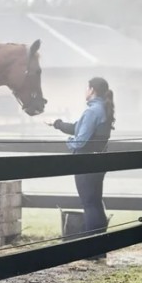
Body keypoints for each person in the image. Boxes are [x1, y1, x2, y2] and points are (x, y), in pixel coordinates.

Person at [50, 76, 116, 252]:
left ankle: (91, 247)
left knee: (88, 203)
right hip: (98, 161)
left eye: (87, 88)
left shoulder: (92, 111)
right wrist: (57, 124)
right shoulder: (102, 108)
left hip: (86, 161)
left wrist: (68, 142)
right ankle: (99, 246)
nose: (85, 92)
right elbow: (78, 127)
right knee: (95, 202)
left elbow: (80, 141)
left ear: (92, 90)